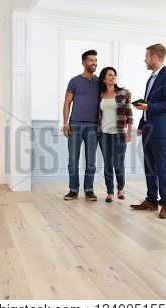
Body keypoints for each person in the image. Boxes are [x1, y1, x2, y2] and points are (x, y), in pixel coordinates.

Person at [130, 44, 166, 219]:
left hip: (161, 131)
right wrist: (142, 123)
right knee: (149, 166)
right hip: (149, 130)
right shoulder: (151, 78)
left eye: (146, 56)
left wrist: (149, 106)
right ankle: (151, 200)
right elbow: (149, 105)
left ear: (155, 58)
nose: (144, 59)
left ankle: (165, 204)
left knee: (161, 166)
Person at [62, 50, 100, 201]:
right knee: (73, 159)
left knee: (91, 160)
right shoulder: (74, 81)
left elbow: (111, 95)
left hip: (93, 125)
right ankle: (73, 189)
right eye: (91, 60)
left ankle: (89, 189)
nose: (94, 63)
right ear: (83, 63)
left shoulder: (100, 82)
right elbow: (67, 103)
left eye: (95, 60)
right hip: (75, 124)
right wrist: (65, 123)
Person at [97, 67, 133, 203]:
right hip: (104, 134)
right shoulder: (100, 94)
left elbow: (129, 114)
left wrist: (129, 132)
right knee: (107, 163)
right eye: (110, 75)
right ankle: (110, 192)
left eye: (114, 75)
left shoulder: (123, 93)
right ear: (104, 78)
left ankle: (121, 188)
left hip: (120, 133)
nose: (113, 77)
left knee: (118, 163)